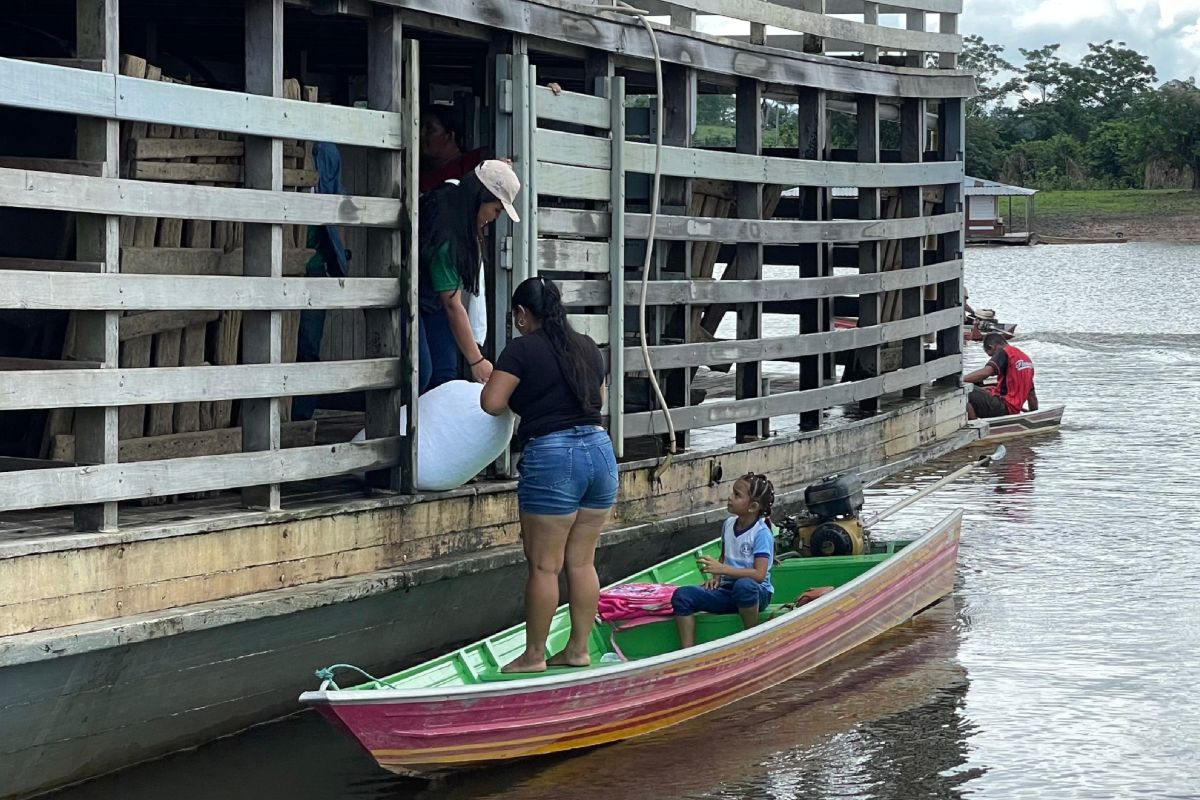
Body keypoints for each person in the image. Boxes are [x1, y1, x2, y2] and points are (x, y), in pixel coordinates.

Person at [480, 276, 618, 673]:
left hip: (555, 456)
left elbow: (492, 403)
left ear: (522, 314)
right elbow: (600, 398)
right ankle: (577, 650)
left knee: (544, 565)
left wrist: (499, 377)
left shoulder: (521, 350)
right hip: (600, 451)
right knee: (582, 562)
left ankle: (534, 656)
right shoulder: (588, 347)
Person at [417, 160, 520, 391]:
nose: (495, 218)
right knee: (421, 372)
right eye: (496, 209)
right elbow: (452, 304)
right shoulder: (446, 227)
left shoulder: (459, 205)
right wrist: (477, 360)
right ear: (482, 197)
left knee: (445, 374)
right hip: (411, 298)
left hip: (431, 301)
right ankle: (406, 426)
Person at [671, 473, 776, 649]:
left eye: (737, 495)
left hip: (756, 594)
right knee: (682, 596)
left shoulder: (761, 533)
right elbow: (724, 556)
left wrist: (722, 570)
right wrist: (717, 578)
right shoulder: (728, 524)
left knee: (744, 585)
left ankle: (751, 638)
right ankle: (687, 651)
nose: (730, 497)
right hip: (728, 592)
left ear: (753, 507)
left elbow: (759, 575)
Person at [964, 332, 1039, 419]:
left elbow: (986, 372)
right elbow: (1032, 396)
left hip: (1002, 407)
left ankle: (973, 425)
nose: (993, 357)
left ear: (992, 347)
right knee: (985, 389)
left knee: (965, 389)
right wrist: (1034, 416)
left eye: (991, 355)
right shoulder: (1026, 359)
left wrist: (960, 380)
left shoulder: (1004, 352)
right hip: (1013, 409)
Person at [420, 105, 487, 193]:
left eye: (430, 129)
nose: (421, 134)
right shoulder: (415, 174)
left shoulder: (474, 166)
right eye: (420, 128)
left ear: (450, 135)